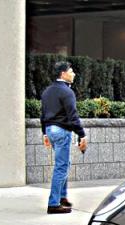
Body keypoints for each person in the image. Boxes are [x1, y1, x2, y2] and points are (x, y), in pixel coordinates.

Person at [40, 61, 88, 214]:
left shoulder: (47, 91)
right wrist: (82, 135)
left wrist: (45, 133)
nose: (73, 73)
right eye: (71, 71)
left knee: (64, 163)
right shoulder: (67, 92)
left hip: (50, 129)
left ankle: (62, 197)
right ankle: (53, 204)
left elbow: (42, 114)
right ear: (63, 73)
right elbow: (73, 116)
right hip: (61, 131)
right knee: (61, 166)